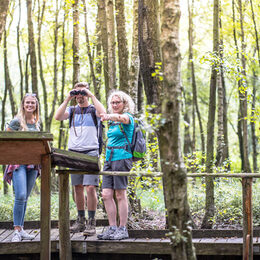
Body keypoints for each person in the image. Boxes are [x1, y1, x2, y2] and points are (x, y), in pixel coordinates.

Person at [54, 82, 106, 236]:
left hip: (91, 152)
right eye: (77, 93)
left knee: (90, 188)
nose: (79, 96)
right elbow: (57, 117)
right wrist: (67, 99)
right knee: (77, 188)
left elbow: (103, 113)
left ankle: (91, 222)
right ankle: (80, 220)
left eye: (82, 93)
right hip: (74, 153)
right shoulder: (72, 110)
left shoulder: (93, 110)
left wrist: (91, 95)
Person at [98, 90, 135, 240]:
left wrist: (108, 116)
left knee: (120, 194)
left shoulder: (127, 118)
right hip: (109, 159)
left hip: (122, 158)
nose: (114, 105)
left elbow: (122, 118)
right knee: (106, 194)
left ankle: (122, 228)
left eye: (117, 102)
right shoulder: (112, 122)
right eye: (112, 102)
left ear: (124, 104)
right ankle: (112, 227)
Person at [4, 93, 41, 242]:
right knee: (20, 195)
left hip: (33, 164)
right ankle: (16, 232)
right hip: (18, 162)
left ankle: (22, 229)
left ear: (36, 105)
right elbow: (6, 139)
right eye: (27, 103)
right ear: (23, 104)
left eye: (33, 103)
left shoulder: (37, 122)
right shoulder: (16, 122)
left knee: (25, 197)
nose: (30, 105)